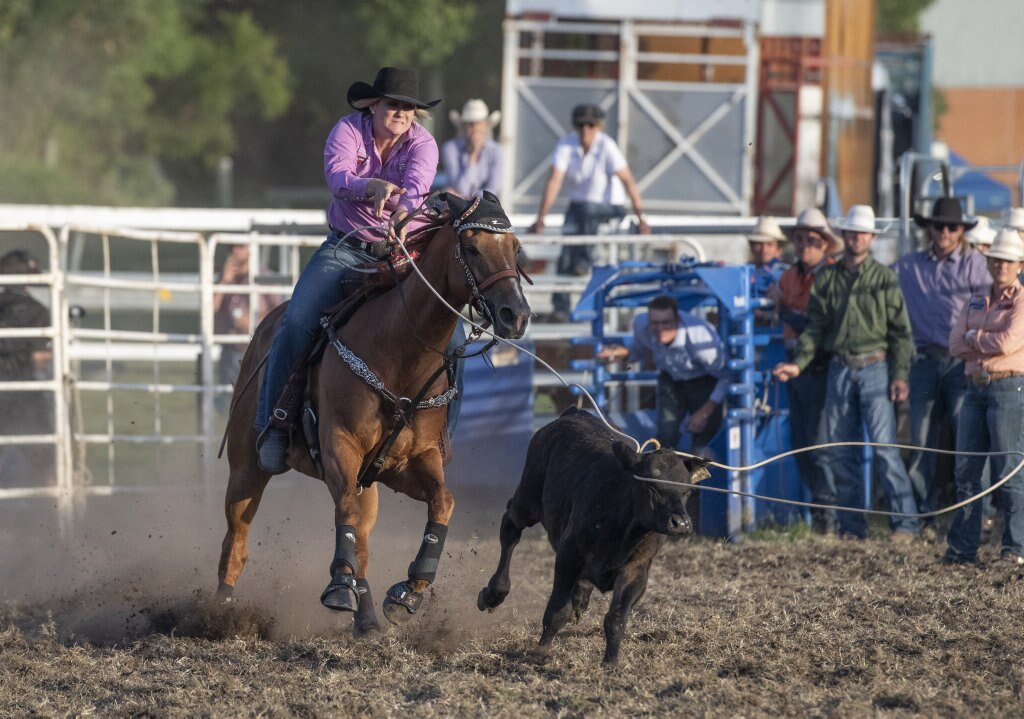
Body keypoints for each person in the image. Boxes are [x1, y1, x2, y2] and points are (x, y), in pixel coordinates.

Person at [255, 66, 457, 474]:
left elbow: (417, 188)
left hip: (402, 249)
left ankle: (438, 434)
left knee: (455, 339)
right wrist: (371, 186)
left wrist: (402, 211)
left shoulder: (424, 144)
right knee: (297, 320)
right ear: (373, 105)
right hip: (348, 246)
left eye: (408, 107)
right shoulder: (347, 131)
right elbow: (338, 176)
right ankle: (273, 424)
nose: (400, 113)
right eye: (393, 105)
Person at [773, 205, 920, 541]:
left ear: (869, 237)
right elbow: (816, 327)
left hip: (875, 365)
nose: (856, 238)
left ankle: (905, 524)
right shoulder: (828, 278)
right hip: (841, 365)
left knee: (882, 447)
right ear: (846, 236)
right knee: (841, 449)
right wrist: (799, 362)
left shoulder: (884, 278)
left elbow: (900, 333)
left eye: (862, 233)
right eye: (852, 233)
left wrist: (899, 375)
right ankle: (854, 526)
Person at [894, 198, 991, 539]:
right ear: (930, 229)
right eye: (939, 226)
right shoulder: (906, 267)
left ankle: (973, 516)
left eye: (952, 227)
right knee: (919, 441)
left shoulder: (977, 265)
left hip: (962, 360)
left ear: (962, 230)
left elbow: (993, 304)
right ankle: (925, 515)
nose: (945, 233)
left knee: (969, 440)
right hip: (924, 359)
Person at [944, 228, 1024, 566]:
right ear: (989, 262)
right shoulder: (977, 298)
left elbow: (1007, 342)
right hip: (976, 387)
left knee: (1007, 469)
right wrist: (986, 339)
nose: (1001, 265)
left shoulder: (1020, 301)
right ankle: (962, 548)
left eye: (1006, 260)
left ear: (1018, 264)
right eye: (996, 260)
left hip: (1008, 387)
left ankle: (1015, 547)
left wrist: (974, 335)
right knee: (967, 471)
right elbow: (954, 344)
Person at [529, 103, 651, 321]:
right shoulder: (567, 145)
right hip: (580, 209)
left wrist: (641, 218)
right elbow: (554, 181)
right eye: (581, 124)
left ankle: (583, 262)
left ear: (599, 126)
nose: (585, 129)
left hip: (610, 207)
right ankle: (561, 308)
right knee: (565, 252)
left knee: (585, 213)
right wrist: (541, 218)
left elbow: (628, 181)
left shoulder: (607, 146)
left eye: (590, 124)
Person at [774, 208, 842, 534]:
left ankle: (827, 515)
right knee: (803, 442)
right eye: (801, 239)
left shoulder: (830, 275)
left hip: (818, 365)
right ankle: (821, 514)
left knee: (818, 443)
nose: (804, 245)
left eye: (812, 240)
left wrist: (787, 311)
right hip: (796, 365)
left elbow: (814, 322)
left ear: (824, 244)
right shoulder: (790, 275)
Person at [598, 295, 728, 453]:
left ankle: (698, 476)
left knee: (703, 443)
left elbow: (725, 376)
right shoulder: (641, 324)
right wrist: (620, 353)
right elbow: (638, 350)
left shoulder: (701, 339)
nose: (660, 329)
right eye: (655, 323)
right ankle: (661, 474)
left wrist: (705, 411)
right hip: (671, 378)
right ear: (649, 320)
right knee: (666, 435)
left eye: (666, 323)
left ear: (677, 320)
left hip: (706, 382)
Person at [0, 250, 53, 485]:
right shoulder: (36, 310)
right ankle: (47, 511)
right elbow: (39, 357)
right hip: (20, 389)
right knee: (42, 454)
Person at [213, 243, 278, 412]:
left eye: (240, 246)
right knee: (228, 401)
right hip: (230, 351)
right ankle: (223, 434)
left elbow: (280, 311)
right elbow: (210, 308)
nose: (235, 251)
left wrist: (253, 322)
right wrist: (224, 282)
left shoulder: (264, 276)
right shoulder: (223, 278)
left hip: (259, 350)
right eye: (232, 247)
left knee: (255, 401)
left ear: (249, 249)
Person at [441, 99, 503, 200]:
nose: (475, 128)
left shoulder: (496, 151)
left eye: (479, 123)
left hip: (486, 209)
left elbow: (493, 190)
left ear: (486, 126)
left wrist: (466, 196)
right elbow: (459, 188)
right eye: (471, 124)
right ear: (463, 126)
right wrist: (473, 156)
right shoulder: (450, 148)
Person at [747, 216, 789, 298]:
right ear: (751, 247)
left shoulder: (786, 275)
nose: (764, 250)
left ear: (779, 249)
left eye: (769, 244)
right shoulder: (744, 273)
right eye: (759, 244)